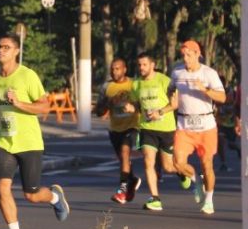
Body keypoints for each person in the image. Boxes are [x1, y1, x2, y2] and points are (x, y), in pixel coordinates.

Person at [0, 34, 69, 229]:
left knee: (31, 194)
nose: (1, 50)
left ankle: (54, 197)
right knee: (2, 187)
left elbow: (44, 107)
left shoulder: (27, 76)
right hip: (4, 142)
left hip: (29, 143)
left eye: (6, 47)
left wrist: (20, 103)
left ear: (16, 52)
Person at [125, 52, 187, 212]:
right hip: (147, 128)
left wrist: (160, 112)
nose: (141, 68)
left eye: (144, 64)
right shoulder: (136, 84)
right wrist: (132, 108)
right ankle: (155, 198)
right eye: (139, 65)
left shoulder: (164, 81)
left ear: (152, 65)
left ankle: (182, 172)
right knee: (148, 161)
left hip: (166, 129)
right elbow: (137, 104)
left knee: (168, 167)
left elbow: (176, 103)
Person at [170, 40, 226, 215]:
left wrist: (205, 90)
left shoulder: (208, 73)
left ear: (197, 54)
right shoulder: (177, 73)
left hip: (206, 126)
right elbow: (171, 91)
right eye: (183, 55)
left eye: (189, 55)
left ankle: (208, 200)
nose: (185, 58)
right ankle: (196, 181)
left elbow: (223, 97)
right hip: (184, 125)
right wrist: (171, 98)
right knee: (178, 164)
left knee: (206, 165)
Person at [95, 58, 140, 204]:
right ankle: (132, 179)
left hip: (133, 125)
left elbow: (143, 104)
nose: (114, 72)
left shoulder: (134, 84)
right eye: (112, 69)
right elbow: (99, 112)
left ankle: (122, 190)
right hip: (115, 128)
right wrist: (109, 102)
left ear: (124, 69)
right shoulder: (106, 87)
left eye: (118, 69)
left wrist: (133, 105)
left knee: (125, 152)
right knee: (123, 160)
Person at [215, 79, 241, 173]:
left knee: (230, 145)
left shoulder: (231, 92)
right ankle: (223, 163)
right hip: (221, 123)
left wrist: (237, 122)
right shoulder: (214, 92)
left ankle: (238, 149)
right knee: (220, 142)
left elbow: (235, 105)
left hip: (230, 123)